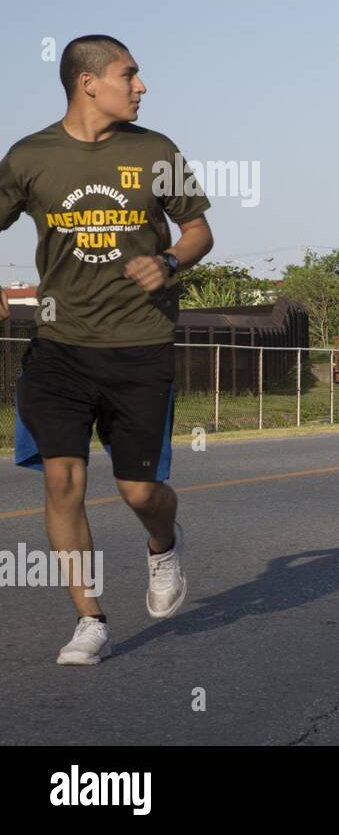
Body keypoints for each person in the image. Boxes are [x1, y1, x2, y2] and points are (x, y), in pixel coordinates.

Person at [0, 35, 214, 665]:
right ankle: (89, 618)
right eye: (131, 74)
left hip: (140, 346)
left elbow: (199, 228)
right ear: (89, 82)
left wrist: (170, 259)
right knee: (63, 481)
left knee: (140, 491)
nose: (141, 85)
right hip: (59, 347)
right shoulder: (30, 157)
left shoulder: (156, 152)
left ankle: (163, 545)